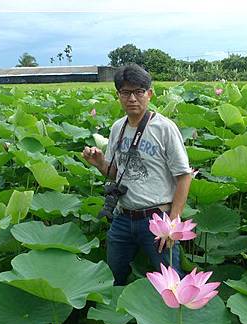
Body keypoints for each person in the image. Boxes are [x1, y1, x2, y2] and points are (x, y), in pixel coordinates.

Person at [82, 64, 192, 285]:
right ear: (118, 96)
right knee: (113, 279)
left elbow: (184, 176)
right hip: (123, 218)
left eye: (138, 92)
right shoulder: (117, 128)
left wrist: (172, 224)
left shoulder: (164, 128)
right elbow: (115, 173)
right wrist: (99, 163)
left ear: (149, 94)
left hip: (157, 219)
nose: (132, 98)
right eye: (125, 92)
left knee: (171, 284)